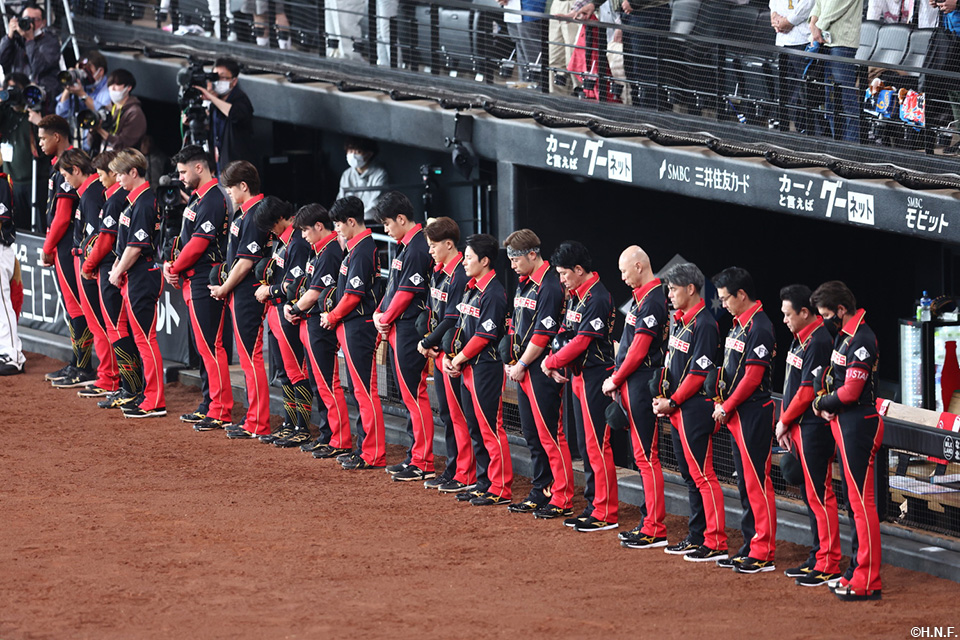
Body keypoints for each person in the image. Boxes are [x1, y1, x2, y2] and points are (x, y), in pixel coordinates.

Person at [810, 281, 883, 601]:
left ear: (841, 310)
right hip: (845, 422)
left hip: (859, 424)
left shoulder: (862, 338)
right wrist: (824, 399)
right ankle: (856, 570)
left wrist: (822, 403)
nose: (824, 321)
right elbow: (831, 377)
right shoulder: (845, 336)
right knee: (854, 504)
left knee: (862, 504)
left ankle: (868, 580)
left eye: (827, 315)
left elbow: (852, 391)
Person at [542, 240, 617, 531]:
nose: (561, 279)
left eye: (564, 273)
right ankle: (593, 505)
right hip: (578, 375)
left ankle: (606, 511)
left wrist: (551, 362)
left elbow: (582, 341)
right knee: (586, 446)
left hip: (596, 375)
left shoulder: (597, 297)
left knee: (597, 445)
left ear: (578, 269)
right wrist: (557, 361)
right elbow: (565, 332)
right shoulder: (576, 295)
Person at [653, 262, 726, 561]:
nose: (669, 295)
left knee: (703, 476)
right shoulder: (681, 320)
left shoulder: (704, 324)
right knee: (690, 476)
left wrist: (672, 401)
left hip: (694, 408)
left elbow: (698, 374)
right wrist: (665, 397)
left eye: (673, 289)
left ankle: (716, 541)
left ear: (691, 289)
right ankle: (698, 536)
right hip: (678, 408)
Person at [775, 284, 842, 587]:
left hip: (814, 429)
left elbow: (806, 392)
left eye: (788, 314)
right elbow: (791, 386)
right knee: (809, 495)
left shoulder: (819, 340)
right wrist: (787, 423)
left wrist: (783, 421)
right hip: (799, 427)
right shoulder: (799, 338)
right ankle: (818, 556)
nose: (784, 319)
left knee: (820, 494)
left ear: (805, 312)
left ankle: (830, 563)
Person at [711, 267, 777, 574]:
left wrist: (726, 406)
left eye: (726, 298)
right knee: (744, 482)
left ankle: (763, 551)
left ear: (742, 294)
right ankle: (751, 544)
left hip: (752, 410)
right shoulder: (739, 323)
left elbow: (752, 377)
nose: (723, 304)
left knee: (757, 481)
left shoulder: (760, 326)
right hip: (737, 411)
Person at [501, 229, 571, 517]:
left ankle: (562, 496)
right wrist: (512, 360)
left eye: (516, 259)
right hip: (524, 367)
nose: (512, 265)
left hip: (542, 369)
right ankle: (541, 489)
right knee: (532, 434)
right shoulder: (525, 283)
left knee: (550, 434)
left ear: (532, 254)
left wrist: (520, 364)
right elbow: (516, 325)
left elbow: (543, 334)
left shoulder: (550, 285)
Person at [603, 245, 669, 548]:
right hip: (632, 381)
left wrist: (615, 378)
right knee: (643, 456)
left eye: (624, 270)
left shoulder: (653, 299)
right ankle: (649, 522)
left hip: (641, 381)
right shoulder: (643, 297)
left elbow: (639, 350)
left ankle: (655, 527)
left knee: (646, 456)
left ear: (639, 266)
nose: (622, 277)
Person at [164, 145, 234, 431]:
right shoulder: (198, 198)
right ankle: (209, 404)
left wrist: (175, 268)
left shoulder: (213, 198)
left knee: (211, 346)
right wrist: (172, 265)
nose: (180, 177)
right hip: (195, 278)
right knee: (204, 348)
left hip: (206, 278)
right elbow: (185, 241)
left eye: (183, 172)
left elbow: (198, 245)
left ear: (199, 167)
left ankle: (221, 410)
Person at [442, 233, 512, 506]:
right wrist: (452, 356)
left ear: (484, 261)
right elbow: (461, 327)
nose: (464, 262)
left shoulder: (493, 292)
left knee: (490, 428)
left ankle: (500, 487)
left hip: (486, 367)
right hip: (469, 366)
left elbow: (484, 336)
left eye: (469, 257)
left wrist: (458, 359)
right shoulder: (472, 288)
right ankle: (484, 483)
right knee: (475, 428)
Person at [372, 192, 435, 481]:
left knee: (414, 394)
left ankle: (423, 462)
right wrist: (379, 314)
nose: (386, 229)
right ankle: (416, 457)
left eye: (387, 223)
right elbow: (393, 289)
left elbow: (407, 293)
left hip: (410, 328)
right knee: (409, 395)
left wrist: (384, 319)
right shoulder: (407, 245)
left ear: (400, 218)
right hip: (399, 326)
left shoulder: (419, 246)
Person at [320, 196, 387, 470]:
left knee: (364, 390)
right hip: (352, 325)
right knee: (360, 390)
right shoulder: (356, 247)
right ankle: (365, 449)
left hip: (358, 325)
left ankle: (372, 453)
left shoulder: (362, 249)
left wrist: (332, 316)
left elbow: (352, 296)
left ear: (351, 221)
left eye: (338, 224)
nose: (336, 229)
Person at [284, 204, 353, 459]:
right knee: (318, 382)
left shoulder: (330, 250)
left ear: (319, 226)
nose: (303, 235)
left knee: (327, 382)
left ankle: (340, 439)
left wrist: (294, 308)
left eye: (305, 230)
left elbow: (315, 293)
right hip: (311, 320)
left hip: (320, 322)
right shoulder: (319, 250)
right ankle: (328, 435)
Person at [209, 160, 271, 439]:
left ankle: (258, 422)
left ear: (244, 186)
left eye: (231, 188)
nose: (229, 193)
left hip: (248, 291)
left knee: (250, 356)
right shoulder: (245, 212)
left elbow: (246, 262)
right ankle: (252, 417)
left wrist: (224, 288)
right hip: (241, 291)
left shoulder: (256, 213)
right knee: (247, 357)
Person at [417, 216, 476, 493]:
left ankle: (465, 473)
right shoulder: (440, 271)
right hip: (441, 351)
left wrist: (428, 341)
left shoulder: (460, 273)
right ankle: (453, 469)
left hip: (454, 354)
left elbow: (452, 317)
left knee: (458, 415)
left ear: (449, 244)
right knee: (447, 414)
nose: (430, 250)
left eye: (433, 245)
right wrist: (429, 341)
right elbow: (434, 312)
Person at [107, 148, 166, 418]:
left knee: (145, 339)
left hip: (141, 274)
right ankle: (149, 394)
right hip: (137, 273)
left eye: (120, 173)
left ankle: (155, 400)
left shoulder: (143, 202)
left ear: (133, 172)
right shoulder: (136, 200)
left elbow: (136, 246)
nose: (117, 178)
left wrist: (117, 270)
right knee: (142, 338)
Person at [83, 149, 143, 410]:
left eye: (103, 174)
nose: (102, 179)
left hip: (112, 269)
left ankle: (131, 388)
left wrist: (89, 264)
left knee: (118, 329)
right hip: (113, 269)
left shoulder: (117, 199)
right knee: (117, 328)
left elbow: (107, 240)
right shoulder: (117, 197)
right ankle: (129, 386)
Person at [38, 114, 95, 389]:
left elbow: (62, 217)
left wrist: (47, 247)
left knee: (75, 306)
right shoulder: (59, 166)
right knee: (72, 306)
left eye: (43, 138)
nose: (40, 143)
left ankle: (83, 368)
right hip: (64, 243)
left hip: (66, 244)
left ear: (57, 137)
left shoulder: (70, 164)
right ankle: (77, 363)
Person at [58, 148, 118, 398]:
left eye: (66, 175)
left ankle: (109, 377)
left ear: (76, 170)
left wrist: (88, 265)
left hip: (93, 265)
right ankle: (108, 375)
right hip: (89, 262)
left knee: (99, 323)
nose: (65, 181)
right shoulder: (89, 192)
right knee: (97, 322)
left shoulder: (92, 194)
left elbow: (97, 237)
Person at [254, 196, 314, 447]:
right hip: (276, 311)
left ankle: (303, 427)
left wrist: (269, 290)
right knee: (283, 372)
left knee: (296, 371)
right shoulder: (283, 241)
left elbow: (295, 284)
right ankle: (290, 422)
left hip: (289, 313)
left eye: (271, 225)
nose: (270, 231)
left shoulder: (298, 241)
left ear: (280, 218)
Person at [809, 0, 862, 142]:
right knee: (830, 99)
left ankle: (851, 146)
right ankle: (837, 143)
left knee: (845, 98)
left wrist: (817, 27)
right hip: (824, 41)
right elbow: (819, 3)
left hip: (842, 43)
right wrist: (812, 24)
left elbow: (836, 4)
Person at [192, 58, 256, 175]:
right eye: (215, 77)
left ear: (234, 81)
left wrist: (211, 97)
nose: (218, 81)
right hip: (220, 166)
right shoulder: (215, 103)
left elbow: (235, 114)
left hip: (237, 168)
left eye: (223, 77)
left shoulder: (241, 99)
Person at [0, 72, 39, 230]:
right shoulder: (5, 114)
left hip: (34, 181)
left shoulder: (34, 113)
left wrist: (39, 122)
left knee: (37, 227)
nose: (13, 93)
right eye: (9, 89)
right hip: (11, 181)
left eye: (16, 89)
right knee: (16, 227)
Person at [0, 3, 62, 101]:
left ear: (43, 22)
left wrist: (30, 40)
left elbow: (39, 67)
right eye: (26, 19)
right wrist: (9, 37)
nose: (30, 23)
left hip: (42, 93)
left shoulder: (51, 41)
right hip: (17, 90)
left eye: (35, 19)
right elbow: (2, 59)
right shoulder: (16, 39)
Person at [770, 0, 814, 134]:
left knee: (805, 89)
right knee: (786, 89)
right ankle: (790, 127)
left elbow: (808, 3)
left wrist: (789, 21)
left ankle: (810, 131)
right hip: (782, 40)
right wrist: (774, 16)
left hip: (802, 40)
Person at [55, 50, 112, 142]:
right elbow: (61, 114)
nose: (84, 75)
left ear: (100, 71)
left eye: (87, 70)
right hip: (79, 142)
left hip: (97, 143)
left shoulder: (109, 90)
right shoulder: (80, 87)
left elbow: (103, 115)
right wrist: (68, 84)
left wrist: (83, 95)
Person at [0, 165, 23, 375]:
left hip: (1, 249)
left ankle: (13, 355)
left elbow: (2, 218)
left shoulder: (1, 182)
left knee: (3, 304)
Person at [93, 69, 147, 152]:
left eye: (117, 84)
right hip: (103, 155)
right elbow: (91, 143)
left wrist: (100, 130)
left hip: (123, 158)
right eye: (110, 84)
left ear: (128, 87)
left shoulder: (135, 113)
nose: (112, 88)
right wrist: (93, 130)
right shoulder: (108, 108)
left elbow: (124, 144)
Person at [336, 137, 388, 223]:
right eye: (350, 151)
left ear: (369, 154)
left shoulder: (380, 174)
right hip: (347, 223)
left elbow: (375, 206)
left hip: (370, 222)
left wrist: (356, 222)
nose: (352, 155)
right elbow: (340, 201)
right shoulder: (347, 174)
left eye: (358, 152)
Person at [500, 0, 546, 86]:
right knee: (519, 46)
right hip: (511, 9)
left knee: (531, 49)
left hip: (529, 9)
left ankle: (535, 84)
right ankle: (524, 81)